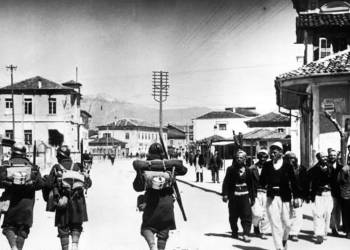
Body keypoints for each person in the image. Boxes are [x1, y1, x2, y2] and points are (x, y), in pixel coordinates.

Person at [136, 143, 186, 250]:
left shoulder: (146, 166)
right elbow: (184, 170)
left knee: (146, 227)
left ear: (149, 153)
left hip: (151, 203)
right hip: (167, 204)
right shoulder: (169, 166)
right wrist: (167, 162)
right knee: (163, 231)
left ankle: (152, 246)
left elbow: (137, 187)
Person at [47, 145, 91, 250]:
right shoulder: (78, 167)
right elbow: (88, 183)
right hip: (78, 200)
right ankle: (75, 245)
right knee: (76, 225)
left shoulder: (56, 167)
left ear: (59, 156)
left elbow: (48, 184)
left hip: (63, 200)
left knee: (63, 227)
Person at [0, 143, 43, 250]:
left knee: (8, 227)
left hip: (11, 202)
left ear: (13, 152)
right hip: (27, 203)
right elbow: (40, 185)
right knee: (23, 229)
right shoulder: (32, 167)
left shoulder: (6, 164)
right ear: (24, 153)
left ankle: (13, 246)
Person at [260, 142, 301, 250]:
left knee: (287, 224)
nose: (272, 154)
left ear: (281, 152)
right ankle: (279, 247)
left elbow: (294, 182)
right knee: (275, 224)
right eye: (271, 152)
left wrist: (297, 196)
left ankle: (284, 239)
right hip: (272, 198)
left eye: (275, 152)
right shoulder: (267, 165)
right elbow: (262, 182)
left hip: (285, 198)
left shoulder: (288, 166)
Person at [222, 150, 255, 242]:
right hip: (234, 196)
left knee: (247, 215)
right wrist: (225, 194)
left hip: (245, 196)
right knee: (233, 216)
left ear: (245, 159)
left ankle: (246, 234)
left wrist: (252, 198)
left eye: (241, 158)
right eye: (237, 158)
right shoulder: (230, 169)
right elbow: (226, 182)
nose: (239, 159)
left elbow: (251, 185)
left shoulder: (248, 170)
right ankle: (234, 232)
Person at [308, 152, 334, 244]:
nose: (325, 158)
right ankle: (319, 234)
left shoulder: (331, 168)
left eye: (326, 156)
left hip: (329, 194)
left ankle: (325, 232)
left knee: (327, 214)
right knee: (318, 214)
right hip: (318, 195)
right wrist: (310, 195)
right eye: (323, 157)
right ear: (318, 158)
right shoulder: (313, 170)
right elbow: (308, 182)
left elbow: (334, 181)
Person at [284, 152, 308, 242]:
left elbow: (305, 184)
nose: (291, 160)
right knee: (286, 214)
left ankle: (294, 233)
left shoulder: (301, 169)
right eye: (289, 158)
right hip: (284, 194)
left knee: (297, 214)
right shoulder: (281, 168)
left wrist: (303, 196)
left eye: (292, 158)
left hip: (297, 194)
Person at [250, 149, 270, 239]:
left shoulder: (271, 168)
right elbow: (249, 183)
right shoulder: (252, 168)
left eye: (265, 156)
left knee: (266, 213)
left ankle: (264, 232)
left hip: (267, 193)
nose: (263, 158)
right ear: (258, 157)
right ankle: (256, 225)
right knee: (257, 213)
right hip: (256, 193)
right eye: (261, 156)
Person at [328, 149, 343, 236]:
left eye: (334, 155)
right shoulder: (326, 166)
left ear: (337, 156)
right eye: (331, 155)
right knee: (332, 210)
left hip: (338, 192)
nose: (332, 156)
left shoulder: (341, 167)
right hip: (329, 192)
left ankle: (336, 226)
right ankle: (333, 228)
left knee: (337, 210)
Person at [337, 163, 350, 239]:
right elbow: (340, 180)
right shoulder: (345, 169)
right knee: (346, 214)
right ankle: (348, 231)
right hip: (346, 195)